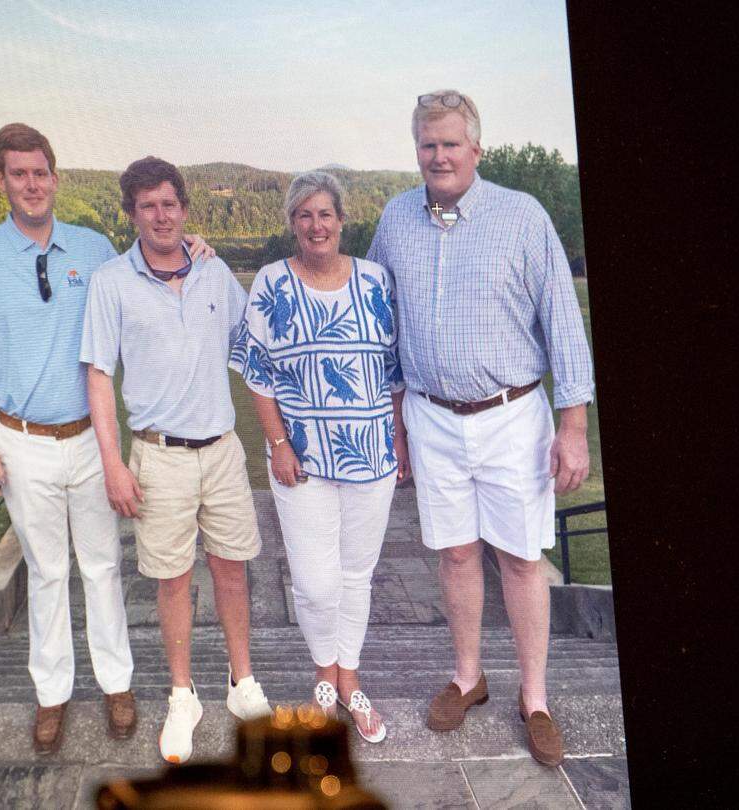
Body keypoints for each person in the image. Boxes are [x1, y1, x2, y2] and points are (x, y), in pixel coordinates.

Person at [0, 124, 213, 754]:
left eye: (41, 172)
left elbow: (154, 256)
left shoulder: (92, 249)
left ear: (55, 178)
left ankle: (117, 684)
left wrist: (197, 245)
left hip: (93, 438)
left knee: (102, 566)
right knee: (46, 571)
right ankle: (52, 694)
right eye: (18, 173)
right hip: (21, 440)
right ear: (1, 180)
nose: (31, 184)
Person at [367, 90, 594, 767]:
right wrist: (397, 418)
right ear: (418, 151)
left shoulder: (522, 218)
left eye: (450, 143)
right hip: (430, 417)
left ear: (476, 149)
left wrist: (573, 425)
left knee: (522, 559)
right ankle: (469, 678)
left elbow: (562, 322)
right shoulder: (397, 217)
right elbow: (379, 315)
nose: (438, 155)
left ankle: (536, 697)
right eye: (427, 145)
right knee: (457, 553)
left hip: (511, 417)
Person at [81, 156, 272, 765]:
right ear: (131, 215)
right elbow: (98, 375)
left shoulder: (215, 274)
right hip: (157, 456)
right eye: (147, 207)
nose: (161, 216)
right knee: (172, 581)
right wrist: (113, 462)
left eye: (169, 204)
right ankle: (183, 695)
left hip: (222, 450)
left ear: (184, 209)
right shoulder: (111, 282)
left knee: (232, 568)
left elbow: (255, 344)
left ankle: (242, 685)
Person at [230, 171, 408, 744]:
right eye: (304, 215)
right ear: (292, 224)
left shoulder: (377, 280)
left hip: (372, 457)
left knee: (357, 576)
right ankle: (321, 675)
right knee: (313, 582)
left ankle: (346, 680)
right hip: (299, 462)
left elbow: (395, 370)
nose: (316, 225)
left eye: (325, 214)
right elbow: (258, 373)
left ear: (341, 219)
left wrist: (399, 441)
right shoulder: (272, 283)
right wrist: (278, 443)